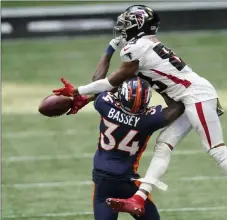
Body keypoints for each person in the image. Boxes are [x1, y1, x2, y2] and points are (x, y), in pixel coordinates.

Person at [53, 5, 227, 220]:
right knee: (163, 144)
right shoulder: (145, 47)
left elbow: (112, 81)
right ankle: (138, 198)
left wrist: (78, 92)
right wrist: (85, 100)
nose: (123, 28)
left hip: (195, 96)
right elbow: (116, 85)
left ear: (139, 25)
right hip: (187, 98)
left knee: (215, 149)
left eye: (128, 23)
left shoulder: (136, 50)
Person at [67, 77, 184, 220]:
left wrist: (109, 54)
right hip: (127, 181)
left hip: (103, 181)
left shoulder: (105, 104)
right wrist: (155, 81)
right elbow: (178, 106)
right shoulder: (148, 120)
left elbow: (98, 83)